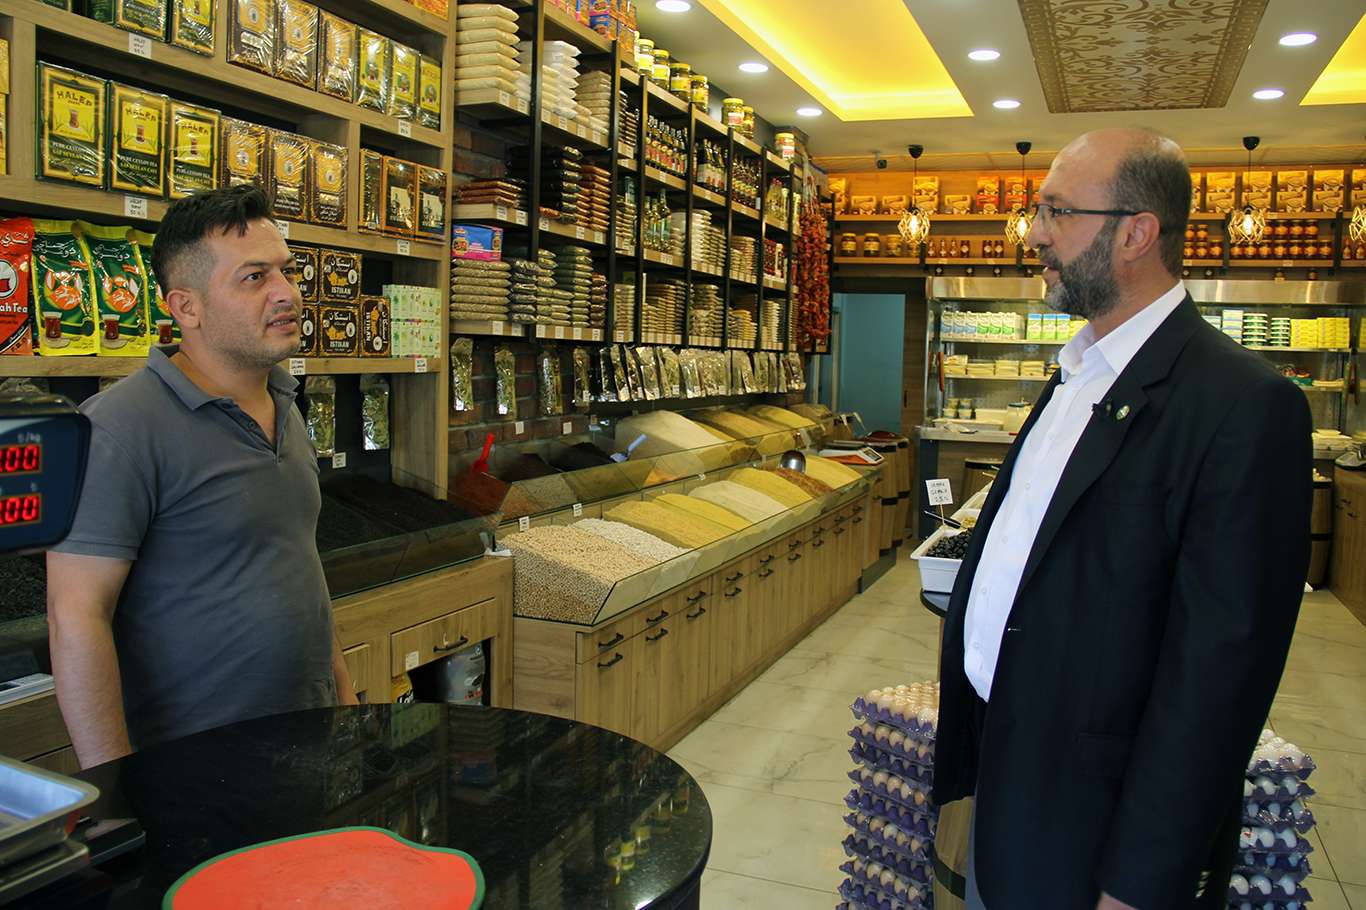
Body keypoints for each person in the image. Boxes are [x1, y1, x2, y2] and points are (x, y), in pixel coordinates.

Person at [933, 129, 1311, 910]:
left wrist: (1140, 880)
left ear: (1136, 233)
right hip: (1006, 774)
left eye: (1057, 211)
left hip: (1095, 828)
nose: (1034, 235)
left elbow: (1220, 681)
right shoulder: (1076, 373)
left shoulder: (1244, 405)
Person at [48, 185, 357, 768]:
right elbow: (76, 618)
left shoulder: (286, 406)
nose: (287, 293)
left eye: (287, 272)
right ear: (185, 307)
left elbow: (299, 569)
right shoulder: (118, 428)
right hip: (191, 771)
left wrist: (344, 706)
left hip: (306, 753)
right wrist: (118, 788)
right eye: (254, 277)